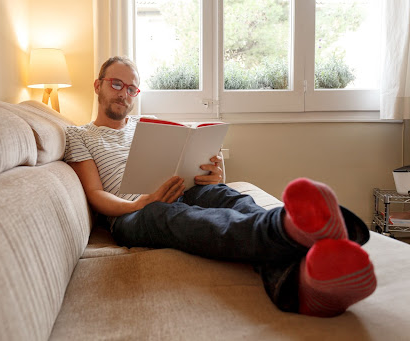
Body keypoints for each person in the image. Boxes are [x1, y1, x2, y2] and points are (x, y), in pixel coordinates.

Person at [64, 56, 376, 317]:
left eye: (132, 88)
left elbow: (181, 169)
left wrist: (211, 173)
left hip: (180, 189)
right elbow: (95, 195)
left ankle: (300, 283)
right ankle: (286, 229)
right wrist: (139, 204)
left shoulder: (149, 123)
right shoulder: (79, 135)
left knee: (225, 195)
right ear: (98, 85)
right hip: (133, 213)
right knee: (177, 217)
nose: (124, 94)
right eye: (116, 84)